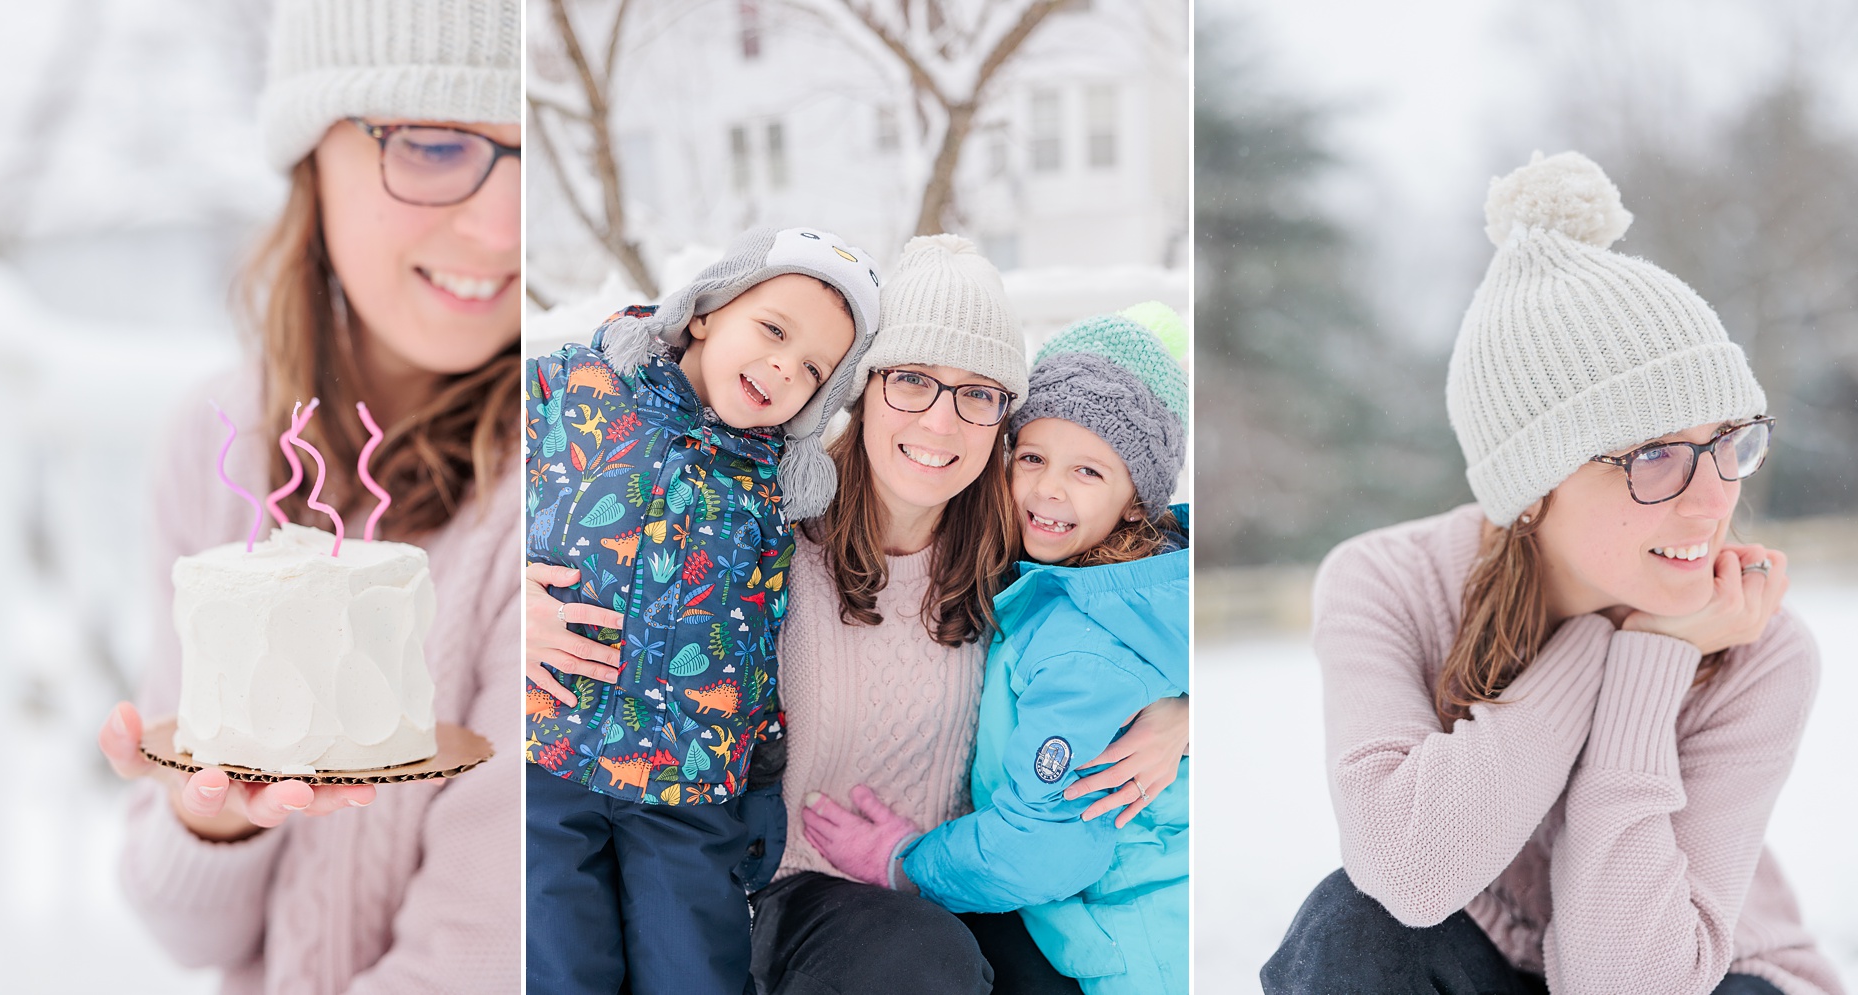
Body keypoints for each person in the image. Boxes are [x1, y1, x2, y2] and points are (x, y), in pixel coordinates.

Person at [1259, 151, 1837, 995]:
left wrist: (1660, 662)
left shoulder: (1759, 643)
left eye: (1728, 441)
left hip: (1698, 971)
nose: (1713, 499)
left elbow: (1630, 982)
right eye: (1655, 454)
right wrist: (1610, 644)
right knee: (1354, 927)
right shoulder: (1390, 582)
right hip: (1480, 953)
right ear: (1531, 490)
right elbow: (1410, 870)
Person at [93, 1, 521, 991]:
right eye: (432, 141)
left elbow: (484, 954)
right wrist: (208, 814)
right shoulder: (214, 440)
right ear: (308, 156)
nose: (500, 227)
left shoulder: (547, 496)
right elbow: (188, 932)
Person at [524, 225, 881, 995]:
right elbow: (461, 500)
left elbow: (759, 645)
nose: (785, 366)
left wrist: (760, 785)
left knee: (696, 972)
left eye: (814, 368)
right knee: (562, 966)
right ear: (706, 311)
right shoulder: (567, 391)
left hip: (688, 789)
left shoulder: (766, 489)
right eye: (774, 330)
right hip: (551, 754)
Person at [801, 304, 1191, 995]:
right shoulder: (1096, 582)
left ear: (1138, 502)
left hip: (1132, 949)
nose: (1047, 488)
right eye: (1033, 457)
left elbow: (1046, 845)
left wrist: (905, 862)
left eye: (1089, 472)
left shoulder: (1081, 642)